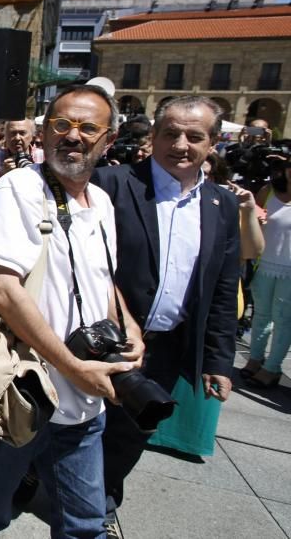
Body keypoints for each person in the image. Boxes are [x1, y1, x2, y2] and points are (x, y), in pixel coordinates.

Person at [0, 83, 143, 538]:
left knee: (85, 523)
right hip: (20, 392)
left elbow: (104, 280)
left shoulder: (103, 203)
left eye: (88, 127)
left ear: (109, 140)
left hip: (83, 402)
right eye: (62, 124)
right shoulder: (20, 187)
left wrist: (129, 326)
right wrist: (74, 366)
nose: (72, 136)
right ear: (44, 131)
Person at [92, 95, 240, 537]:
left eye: (194, 136)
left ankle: (103, 499)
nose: (181, 144)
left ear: (212, 143)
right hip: (100, 336)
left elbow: (220, 290)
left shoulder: (222, 205)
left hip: (167, 346)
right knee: (70, 418)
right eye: (170, 133)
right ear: (153, 135)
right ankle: (35, 472)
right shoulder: (111, 185)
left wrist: (217, 361)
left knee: (130, 432)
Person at [148, 152, 264, 457]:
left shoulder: (224, 203)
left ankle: (184, 438)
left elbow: (252, 251)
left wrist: (249, 210)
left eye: (207, 172)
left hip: (206, 307)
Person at [242, 157, 291, 388]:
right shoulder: (268, 191)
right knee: (260, 316)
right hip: (264, 264)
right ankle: (255, 360)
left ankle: (272, 368)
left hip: (289, 270)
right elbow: (252, 219)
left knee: (283, 320)